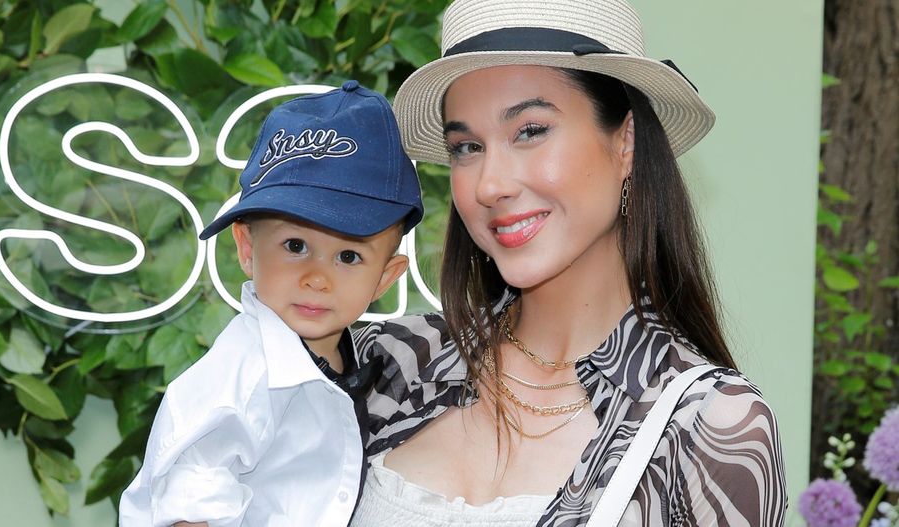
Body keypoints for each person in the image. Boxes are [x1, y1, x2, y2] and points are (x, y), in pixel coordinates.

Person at [350, 0, 787, 525]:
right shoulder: (392, 362)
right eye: (466, 146)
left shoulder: (713, 427)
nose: (490, 185)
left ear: (626, 142)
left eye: (530, 131)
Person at [119, 80, 423, 526]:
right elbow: (190, 504)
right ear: (247, 248)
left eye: (348, 256)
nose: (317, 278)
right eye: (295, 246)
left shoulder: (354, 357)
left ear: (384, 278)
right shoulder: (240, 377)